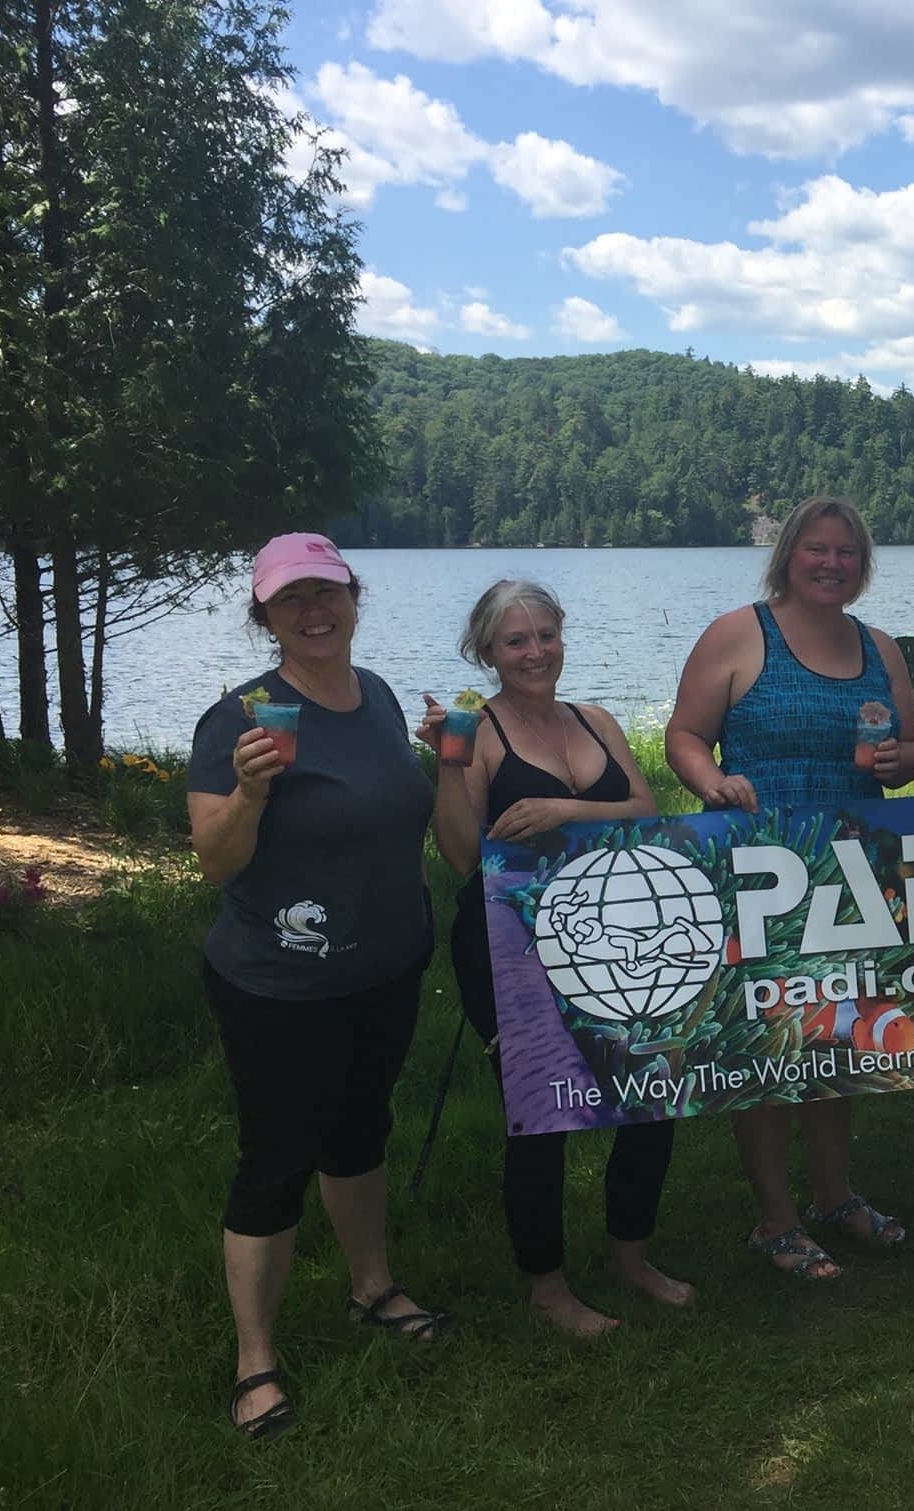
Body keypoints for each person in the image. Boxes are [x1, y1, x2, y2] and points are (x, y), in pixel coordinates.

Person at [187, 534, 449, 1441]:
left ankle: (371, 1288)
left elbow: (394, 819)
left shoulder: (375, 697)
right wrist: (251, 796)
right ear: (265, 615)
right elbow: (216, 863)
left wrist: (442, 756)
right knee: (275, 1159)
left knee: (360, 1130)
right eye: (290, 599)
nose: (313, 611)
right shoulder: (242, 718)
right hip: (279, 985)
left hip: (385, 966)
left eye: (326, 592)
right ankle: (254, 1360)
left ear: (352, 597)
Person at [421, 580, 691, 1336]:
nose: (535, 651)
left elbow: (645, 811)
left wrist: (566, 809)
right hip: (509, 944)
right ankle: (547, 1284)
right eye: (516, 640)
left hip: (613, 934)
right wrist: (449, 761)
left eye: (546, 633)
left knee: (650, 1087)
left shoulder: (596, 720)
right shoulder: (477, 734)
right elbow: (459, 855)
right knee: (540, 1111)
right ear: (487, 652)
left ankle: (631, 1254)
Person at [665, 496, 914, 1280]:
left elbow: (910, 749)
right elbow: (684, 734)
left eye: (847, 552)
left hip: (851, 871)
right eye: (817, 549)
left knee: (840, 1032)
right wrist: (711, 780)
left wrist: (898, 764)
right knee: (769, 1043)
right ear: (790, 555)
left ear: (863, 564)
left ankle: (836, 1196)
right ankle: (774, 1219)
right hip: (760, 869)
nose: (831, 564)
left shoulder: (880, 647)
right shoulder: (740, 633)